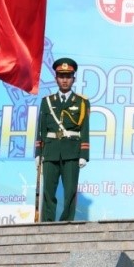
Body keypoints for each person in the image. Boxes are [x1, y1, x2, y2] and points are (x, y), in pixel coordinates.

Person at [34, 57, 90, 222]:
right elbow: (41, 129)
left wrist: (84, 154)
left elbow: (85, 128)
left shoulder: (82, 102)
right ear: (56, 78)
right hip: (50, 150)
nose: (65, 80)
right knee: (48, 191)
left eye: (68, 76)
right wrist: (38, 152)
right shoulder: (47, 102)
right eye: (61, 76)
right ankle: (48, 223)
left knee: (70, 191)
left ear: (74, 78)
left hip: (72, 151)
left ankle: (66, 222)